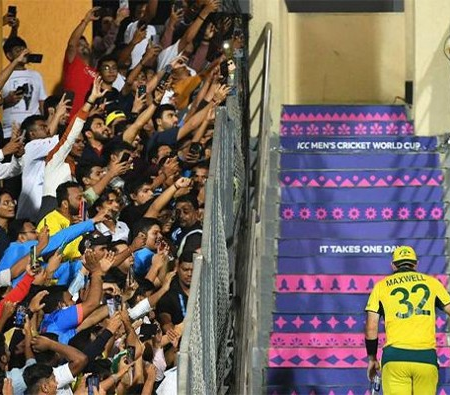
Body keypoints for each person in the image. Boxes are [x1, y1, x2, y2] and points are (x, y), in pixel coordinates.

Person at [365, 245, 450, 394]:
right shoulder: (433, 283)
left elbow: (371, 327)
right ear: (415, 264)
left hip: (394, 357)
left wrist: (372, 358)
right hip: (426, 357)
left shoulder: (381, 286)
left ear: (393, 265)